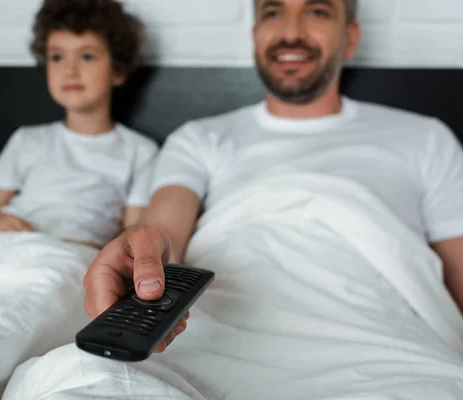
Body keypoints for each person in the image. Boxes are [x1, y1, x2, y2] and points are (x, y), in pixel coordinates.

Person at [84, 0, 463, 352]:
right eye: (273, 13)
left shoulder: (425, 138)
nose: (291, 32)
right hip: (223, 334)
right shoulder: (198, 137)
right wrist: (144, 247)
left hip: (384, 344)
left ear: (350, 38)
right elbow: (166, 228)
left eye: (317, 12)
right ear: (254, 35)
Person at [0, 0, 159, 249]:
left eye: (87, 56)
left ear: (118, 71)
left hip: (73, 255)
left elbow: (131, 235)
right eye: (57, 57)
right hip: (9, 246)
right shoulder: (27, 140)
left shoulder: (140, 151)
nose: (70, 70)